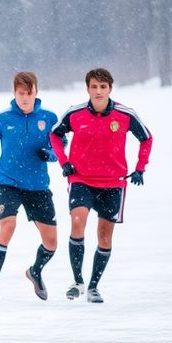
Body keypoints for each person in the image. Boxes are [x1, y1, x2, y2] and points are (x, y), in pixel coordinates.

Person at [50, 68, 152, 304]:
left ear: (110, 89)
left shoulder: (125, 114)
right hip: (81, 179)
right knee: (77, 221)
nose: (98, 91)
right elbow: (55, 136)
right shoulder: (74, 113)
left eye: (103, 87)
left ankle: (94, 286)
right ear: (87, 89)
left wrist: (140, 167)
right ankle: (77, 281)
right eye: (94, 87)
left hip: (113, 183)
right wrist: (64, 162)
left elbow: (146, 138)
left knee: (104, 237)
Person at [0, 72, 59, 303]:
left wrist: (49, 155)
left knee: (51, 242)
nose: (24, 98)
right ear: (14, 93)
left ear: (36, 92)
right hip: (9, 182)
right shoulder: (2, 119)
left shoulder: (49, 118)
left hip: (38, 184)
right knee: (8, 226)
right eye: (20, 94)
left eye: (29, 93)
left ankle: (35, 270)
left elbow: (60, 148)